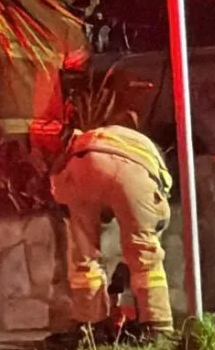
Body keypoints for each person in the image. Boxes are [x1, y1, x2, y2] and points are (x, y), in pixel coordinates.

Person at [45, 125, 174, 348]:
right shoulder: (154, 167)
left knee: (83, 258)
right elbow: (152, 223)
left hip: (79, 166)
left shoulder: (98, 135)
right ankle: (157, 329)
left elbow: (59, 178)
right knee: (146, 256)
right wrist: (124, 274)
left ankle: (90, 328)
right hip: (132, 174)